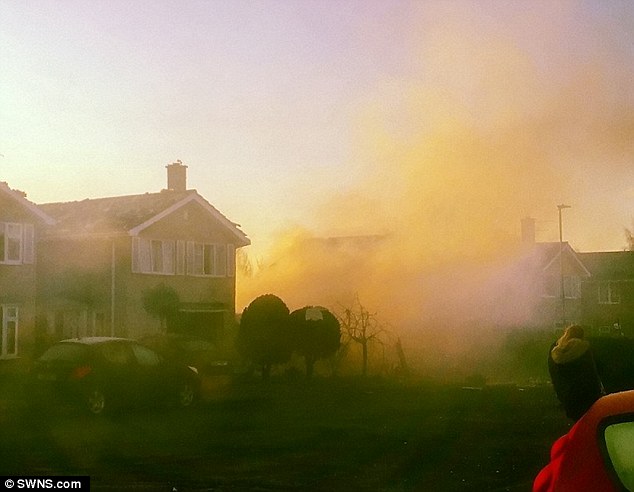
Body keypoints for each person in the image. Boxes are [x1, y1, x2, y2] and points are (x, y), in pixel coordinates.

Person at [548, 325, 604, 421]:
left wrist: (560, 394)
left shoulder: (556, 352)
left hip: (567, 396)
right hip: (587, 395)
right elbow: (592, 372)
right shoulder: (585, 349)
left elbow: (554, 375)